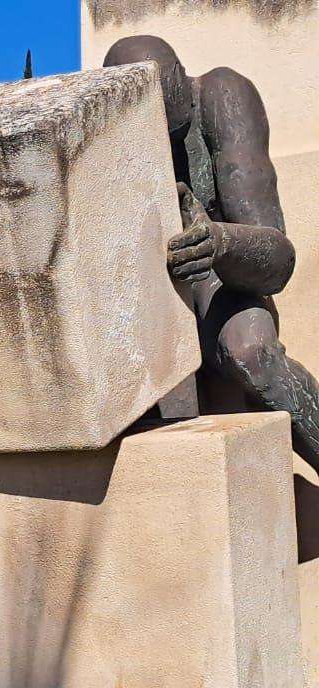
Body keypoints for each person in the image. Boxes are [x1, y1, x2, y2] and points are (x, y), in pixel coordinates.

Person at [103, 36, 319, 447]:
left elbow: (279, 258)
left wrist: (217, 241)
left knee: (250, 351)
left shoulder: (222, 99)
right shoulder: (106, 133)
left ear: (181, 79)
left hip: (226, 277)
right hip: (149, 292)